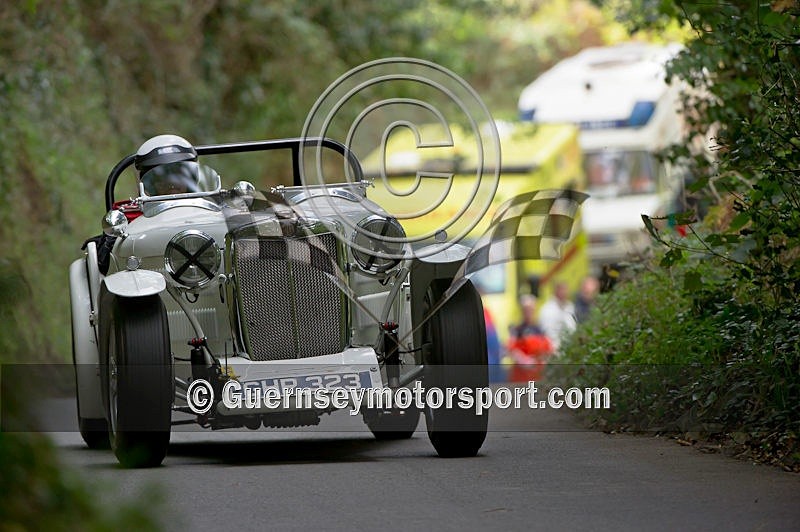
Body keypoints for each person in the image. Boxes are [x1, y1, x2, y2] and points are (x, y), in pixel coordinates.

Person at [134, 134, 203, 196]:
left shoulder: (205, 207)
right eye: (161, 179)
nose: (172, 184)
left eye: (178, 175)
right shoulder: (140, 209)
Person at [506, 295, 553, 382]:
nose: (528, 312)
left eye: (531, 309)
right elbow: (511, 349)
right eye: (526, 310)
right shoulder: (517, 329)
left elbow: (548, 349)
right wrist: (524, 360)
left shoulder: (540, 329)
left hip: (537, 375)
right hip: (520, 375)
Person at [538, 281, 577, 351]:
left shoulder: (570, 306)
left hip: (569, 348)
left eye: (566, 290)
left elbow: (573, 326)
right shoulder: (547, 308)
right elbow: (546, 331)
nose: (564, 293)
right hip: (552, 348)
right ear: (556, 291)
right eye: (562, 290)